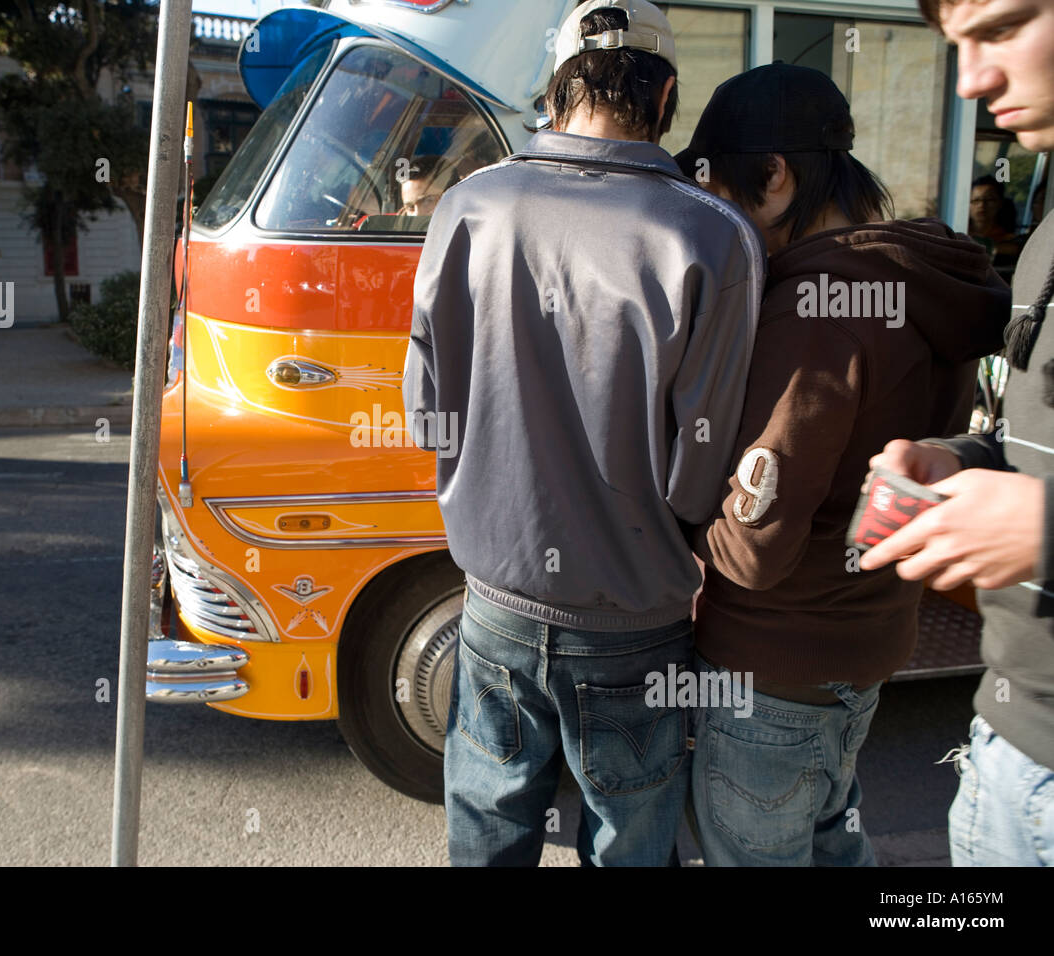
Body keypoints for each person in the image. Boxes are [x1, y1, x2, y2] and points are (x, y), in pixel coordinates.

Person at [402, 0, 764, 866]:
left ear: (556, 92)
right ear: (667, 93)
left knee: (487, 835)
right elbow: (697, 473)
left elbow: (425, 413)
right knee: (630, 845)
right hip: (635, 616)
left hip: (490, 602)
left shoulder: (468, 208)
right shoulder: (715, 236)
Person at [672, 63, 1010, 867]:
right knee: (833, 841)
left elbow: (753, 550)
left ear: (776, 177)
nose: (719, 218)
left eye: (720, 190)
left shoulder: (816, 310)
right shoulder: (925, 278)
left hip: (772, 672)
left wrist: (682, 522)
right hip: (867, 645)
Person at [860, 0, 1054, 867]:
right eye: (959, 46)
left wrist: (1042, 529)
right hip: (1008, 739)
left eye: (1007, 26)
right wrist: (956, 460)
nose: (972, 81)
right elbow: (1034, 448)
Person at [969, 175, 1025, 280]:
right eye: (976, 200)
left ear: (1000, 203)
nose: (981, 205)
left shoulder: (1011, 241)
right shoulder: (957, 234)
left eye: (989, 199)